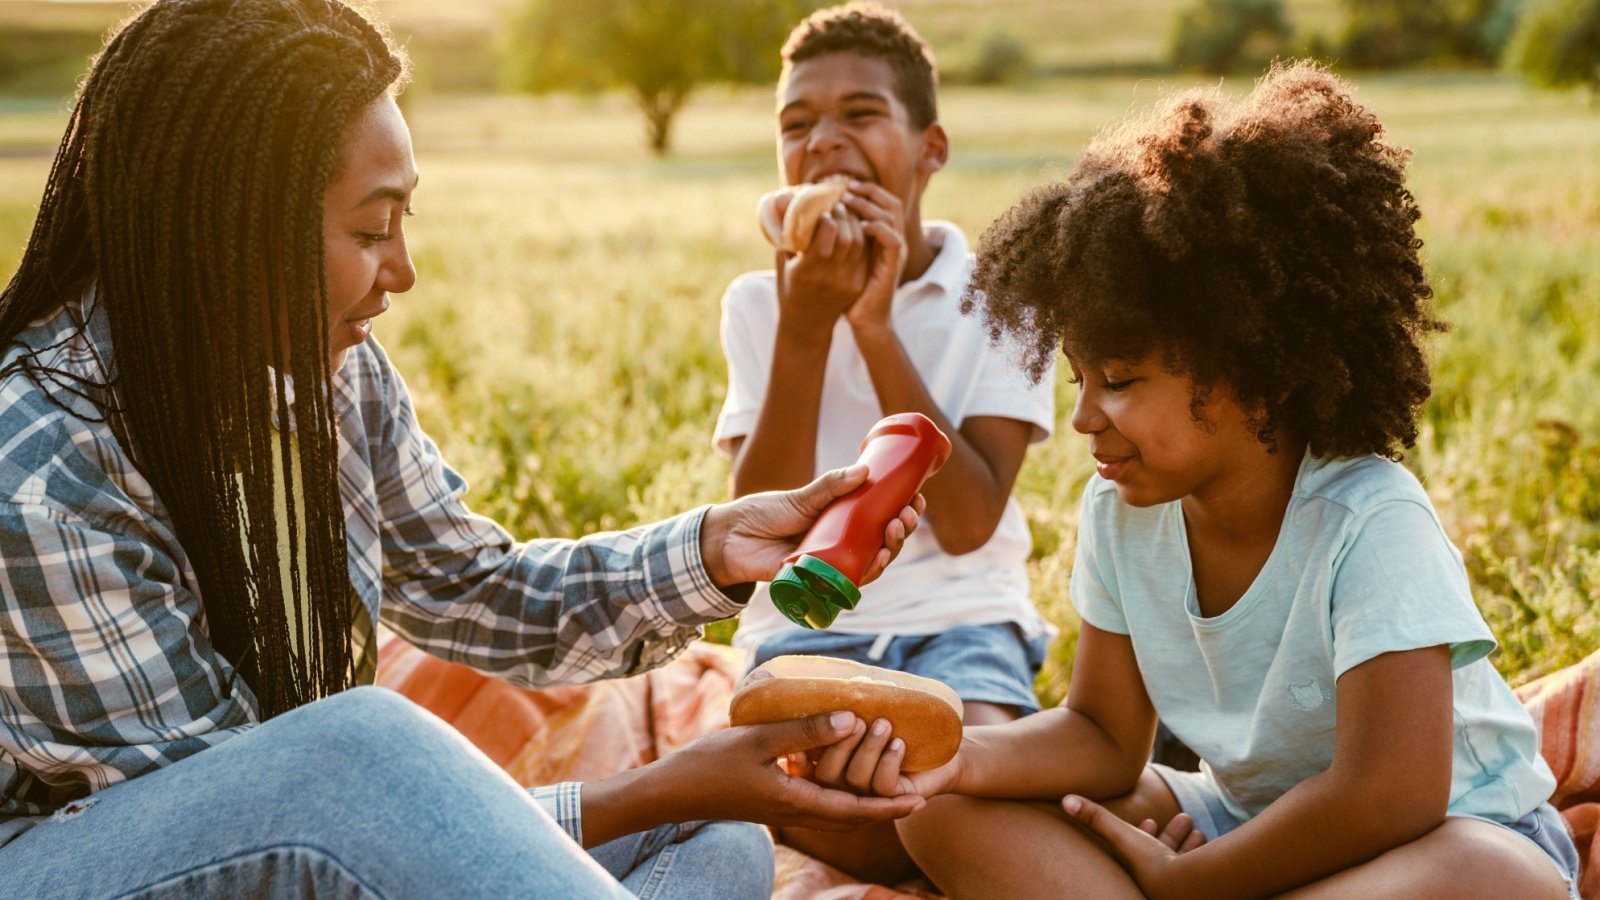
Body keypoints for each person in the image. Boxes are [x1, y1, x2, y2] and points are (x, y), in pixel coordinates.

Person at [0, 1, 931, 897]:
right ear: (231, 232)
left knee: (716, 840)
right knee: (361, 743)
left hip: (313, 827)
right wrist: (654, 786)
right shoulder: (40, 471)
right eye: (371, 230)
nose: (402, 270)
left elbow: (465, 587)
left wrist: (716, 551)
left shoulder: (326, 372)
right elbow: (264, 850)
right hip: (86, 867)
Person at [884, 62, 1584, 898]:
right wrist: (946, 752)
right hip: (1241, 824)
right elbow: (1106, 735)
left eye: (1121, 378)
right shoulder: (1121, 510)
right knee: (934, 806)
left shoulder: (1369, 520)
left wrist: (1199, 883)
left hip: (1439, 836)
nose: (1085, 419)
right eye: (1078, 379)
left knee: (1495, 877)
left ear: (1255, 368)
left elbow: (1392, 793)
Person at [711, 1, 1056, 883]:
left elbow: (973, 518)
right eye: (797, 124)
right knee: (797, 797)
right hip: (804, 631)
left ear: (930, 148)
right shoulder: (761, 305)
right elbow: (765, 529)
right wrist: (806, 325)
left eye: (860, 114)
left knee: (960, 787)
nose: (824, 141)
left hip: (961, 621)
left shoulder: (1007, 300)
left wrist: (873, 325)